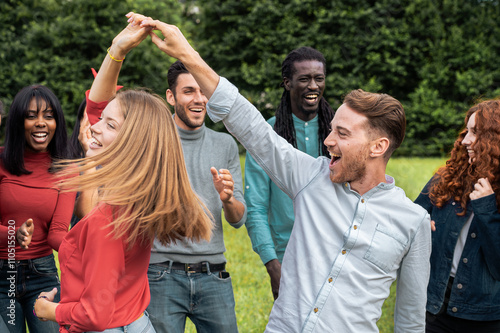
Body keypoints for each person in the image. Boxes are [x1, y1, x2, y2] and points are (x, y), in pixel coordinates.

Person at [136, 14, 432, 332]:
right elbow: (248, 124)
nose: (328, 141)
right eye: (331, 131)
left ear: (378, 147)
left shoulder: (412, 222)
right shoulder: (310, 177)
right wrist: (188, 55)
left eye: (342, 134)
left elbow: (411, 320)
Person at [33, 17, 213, 332]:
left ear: (131, 145)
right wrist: (117, 50)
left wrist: (50, 310)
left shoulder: (108, 223)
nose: (92, 128)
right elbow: (96, 107)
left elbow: (95, 315)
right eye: (101, 119)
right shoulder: (136, 199)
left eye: (109, 124)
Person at [146, 60, 247, 333]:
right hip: (160, 274)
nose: (199, 98)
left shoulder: (225, 144)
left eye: (203, 91)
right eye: (189, 91)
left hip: (213, 273)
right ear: (171, 96)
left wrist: (227, 199)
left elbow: (238, 219)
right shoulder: (151, 141)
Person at [244, 46, 335, 300]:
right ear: (288, 82)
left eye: (319, 78)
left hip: (336, 253)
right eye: (304, 79)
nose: (313, 86)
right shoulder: (266, 136)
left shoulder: (340, 131)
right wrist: (273, 266)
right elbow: (256, 207)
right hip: (288, 258)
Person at [415, 99, 500, 333]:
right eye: (467, 131)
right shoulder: (448, 178)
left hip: (485, 316)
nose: (465, 140)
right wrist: (420, 224)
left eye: (476, 133)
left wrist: (487, 207)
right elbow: (412, 218)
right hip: (436, 306)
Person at [0, 84, 75, 332]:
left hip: (42, 276)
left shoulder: (66, 170)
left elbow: (58, 233)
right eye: (31, 116)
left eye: (49, 116)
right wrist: (12, 234)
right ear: (18, 123)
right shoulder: (1, 162)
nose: (41, 123)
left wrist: (85, 254)